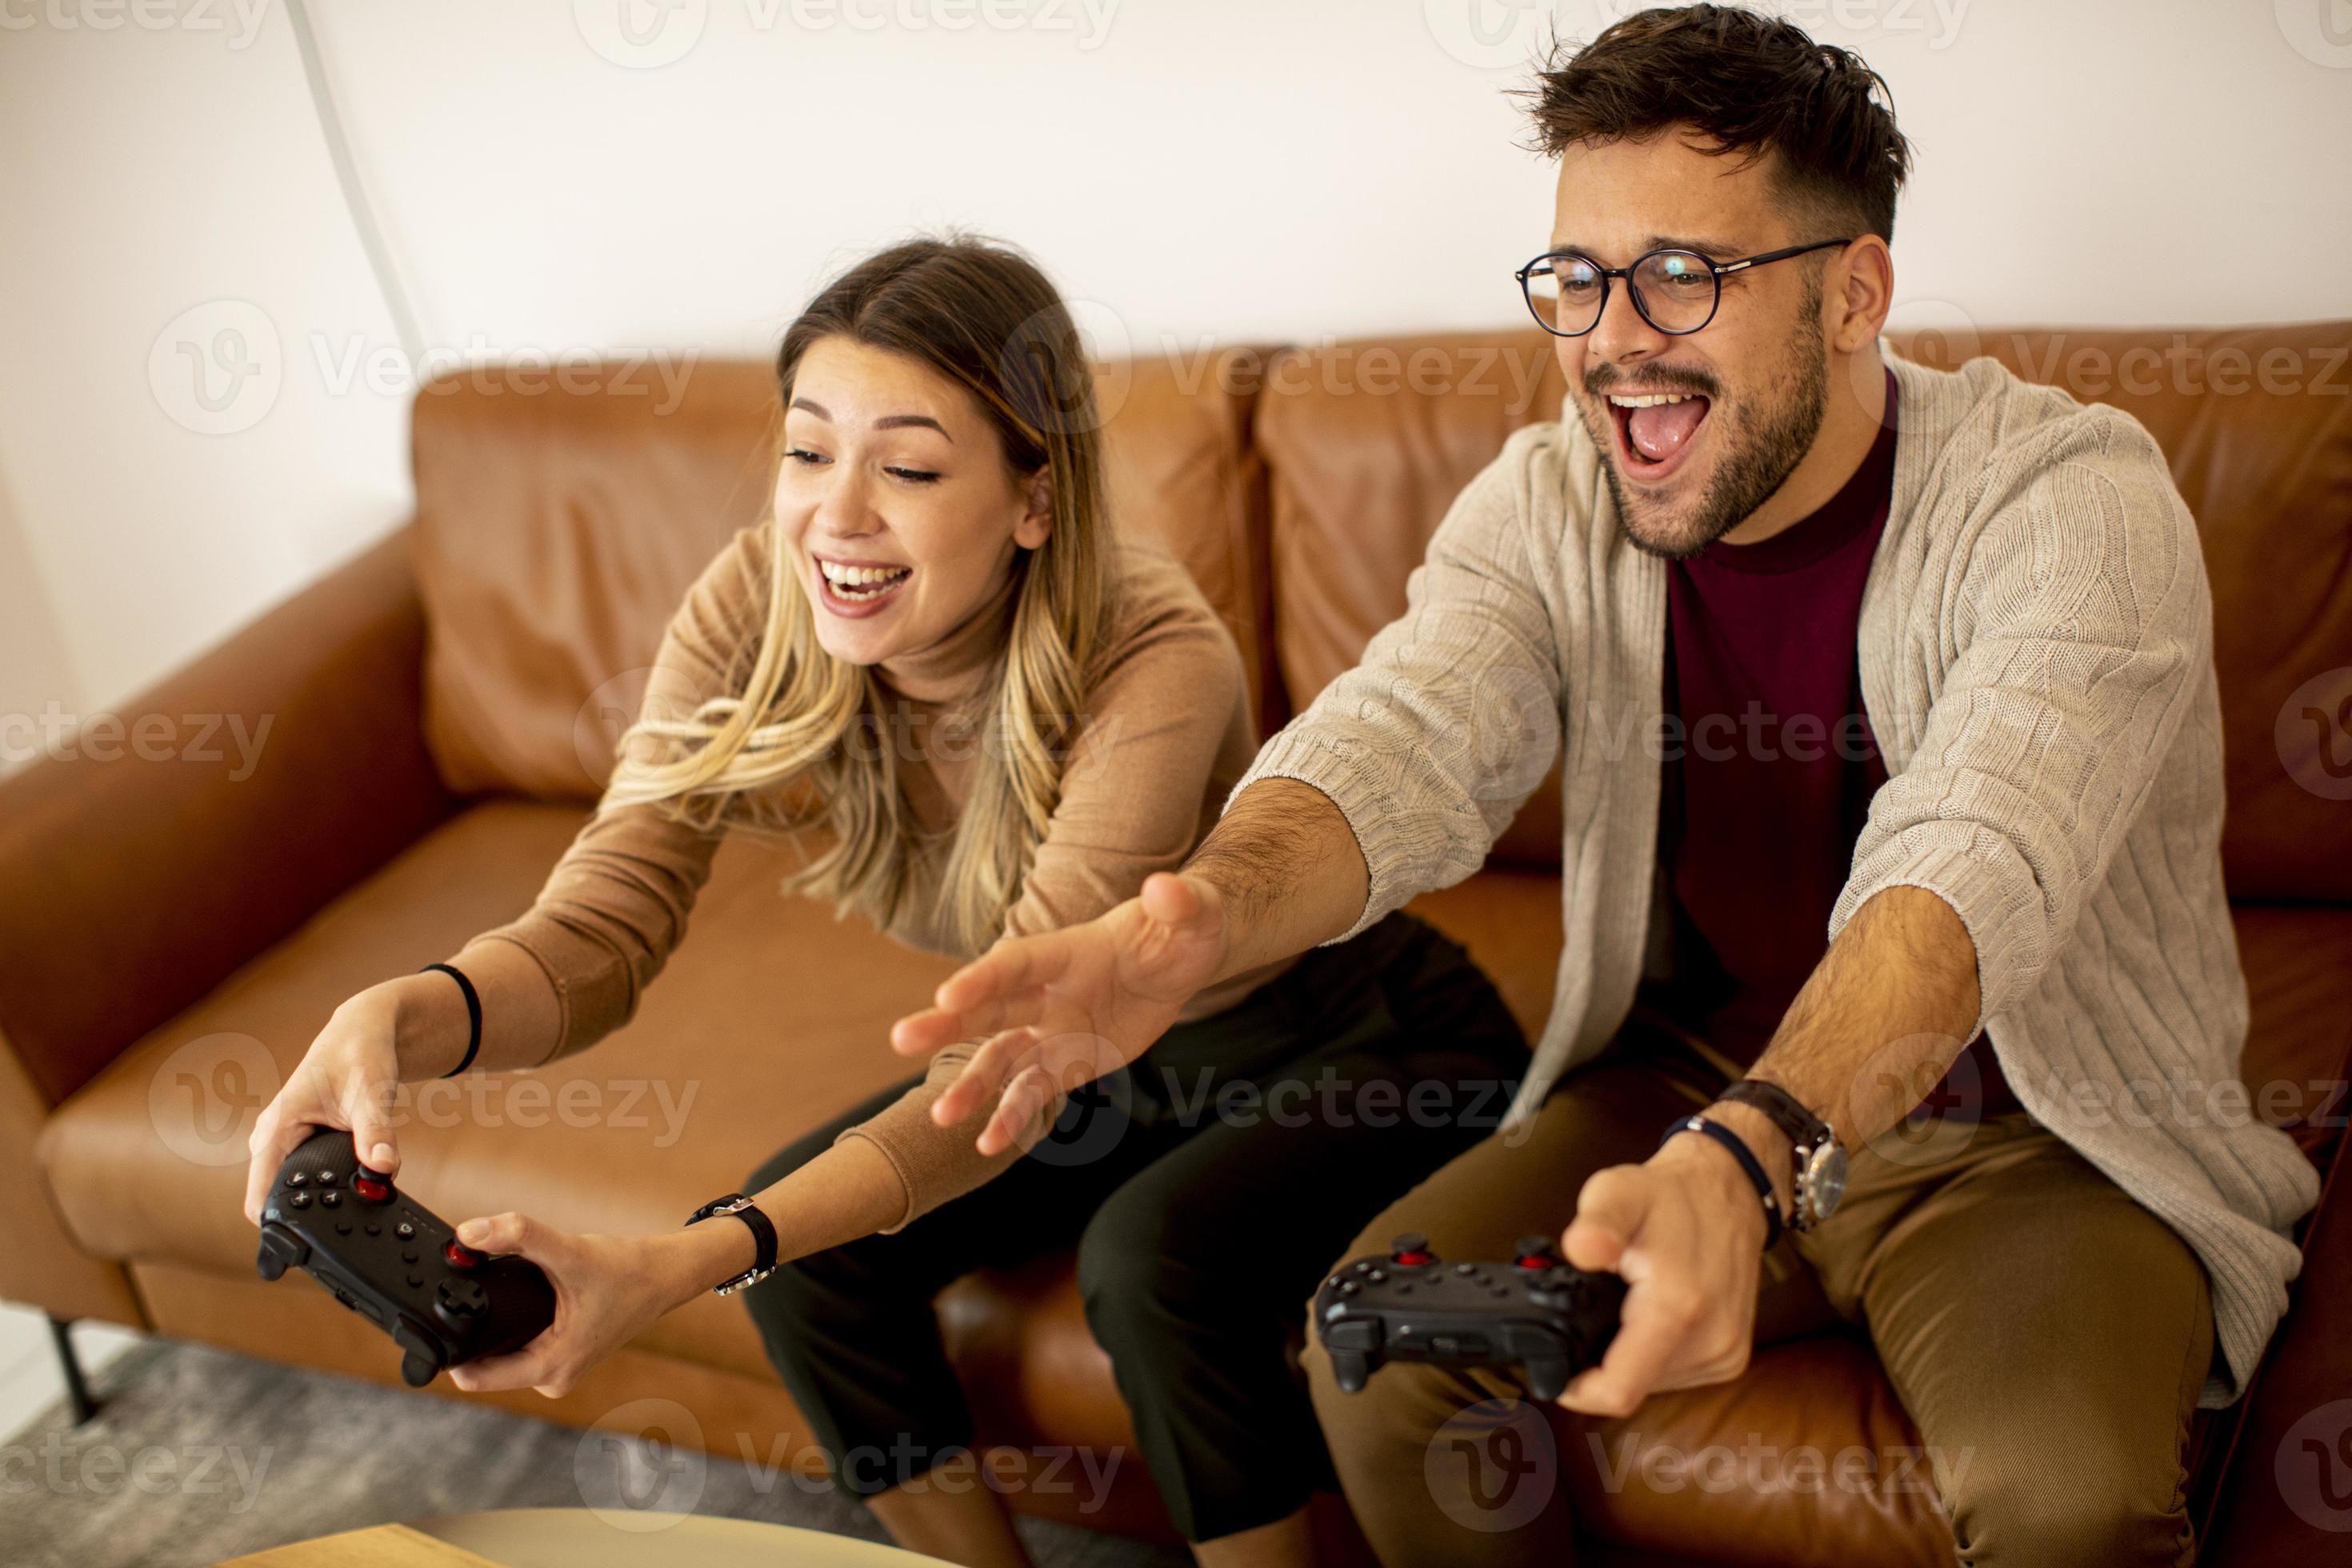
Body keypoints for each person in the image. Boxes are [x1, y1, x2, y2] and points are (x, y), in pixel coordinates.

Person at [891, 11, 2322, 1564]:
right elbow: (1408, 728)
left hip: (2027, 1128)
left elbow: (1976, 851)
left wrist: (1753, 1151)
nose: (1611, 338)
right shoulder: (1551, 497)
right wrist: (1201, 919)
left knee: (2070, 1505)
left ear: (1855, 291)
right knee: (1376, 1357)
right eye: (1577, 278)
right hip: (1687, 1072)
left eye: (1682, 275)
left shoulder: (2072, 500)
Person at [240, 234, 1529, 1568]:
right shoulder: (761, 598)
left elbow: (1016, 1060)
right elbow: (600, 930)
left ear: (1036, 496)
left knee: (1154, 1273)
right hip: (1104, 1072)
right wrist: (399, 1017)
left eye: (907, 467)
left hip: (1350, 1035)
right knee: (806, 1259)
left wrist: (684, 1262)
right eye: (808, 451)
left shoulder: (1154, 654)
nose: (835, 515)